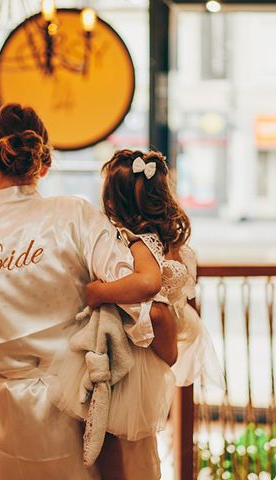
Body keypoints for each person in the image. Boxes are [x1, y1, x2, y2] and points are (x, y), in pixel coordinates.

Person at [0, 104, 177, 479]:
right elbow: (142, 302)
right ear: (43, 164)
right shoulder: (75, 217)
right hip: (93, 413)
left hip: (13, 428)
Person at [49, 150, 224, 473]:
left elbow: (147, 283)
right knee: (139, 448)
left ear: (114, 202)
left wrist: (99, 292)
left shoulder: (140, 243)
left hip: (141, 354)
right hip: (160, 344)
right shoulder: (171, 241)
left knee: (110, 435)